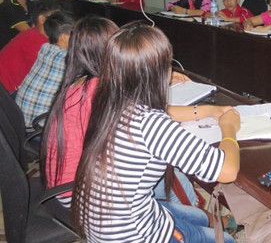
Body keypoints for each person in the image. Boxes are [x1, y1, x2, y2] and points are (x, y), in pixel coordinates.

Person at [70, 22, 240, 243]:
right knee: (226, 240)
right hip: (133, 236)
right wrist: (229, 127)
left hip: (105, 227)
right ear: (159, 73)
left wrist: (206, 111)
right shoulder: (151, 124)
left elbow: (157, 118)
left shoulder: (108, 105)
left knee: (197, 216)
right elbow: (227, 171)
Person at [41, 16, 207, 209]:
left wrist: (162, 76)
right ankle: (201, 219)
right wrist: (203, 110)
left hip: (67, 183)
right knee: (173, 177)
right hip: (80, 190)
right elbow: (144, 115)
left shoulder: (80, 82)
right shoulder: (99, 89)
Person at [15, 11, 75, 127]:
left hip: (22, 119)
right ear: (64, 37)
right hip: (39, 126)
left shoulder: (45, 49)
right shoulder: (66, 59)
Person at [0, 0, 61, 93]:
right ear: (41, 19)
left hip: (1, 86)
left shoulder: (33, 34)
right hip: (7, 92)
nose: (60, 23)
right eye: (56, 19)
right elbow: (52, 74)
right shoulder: (37, 42)